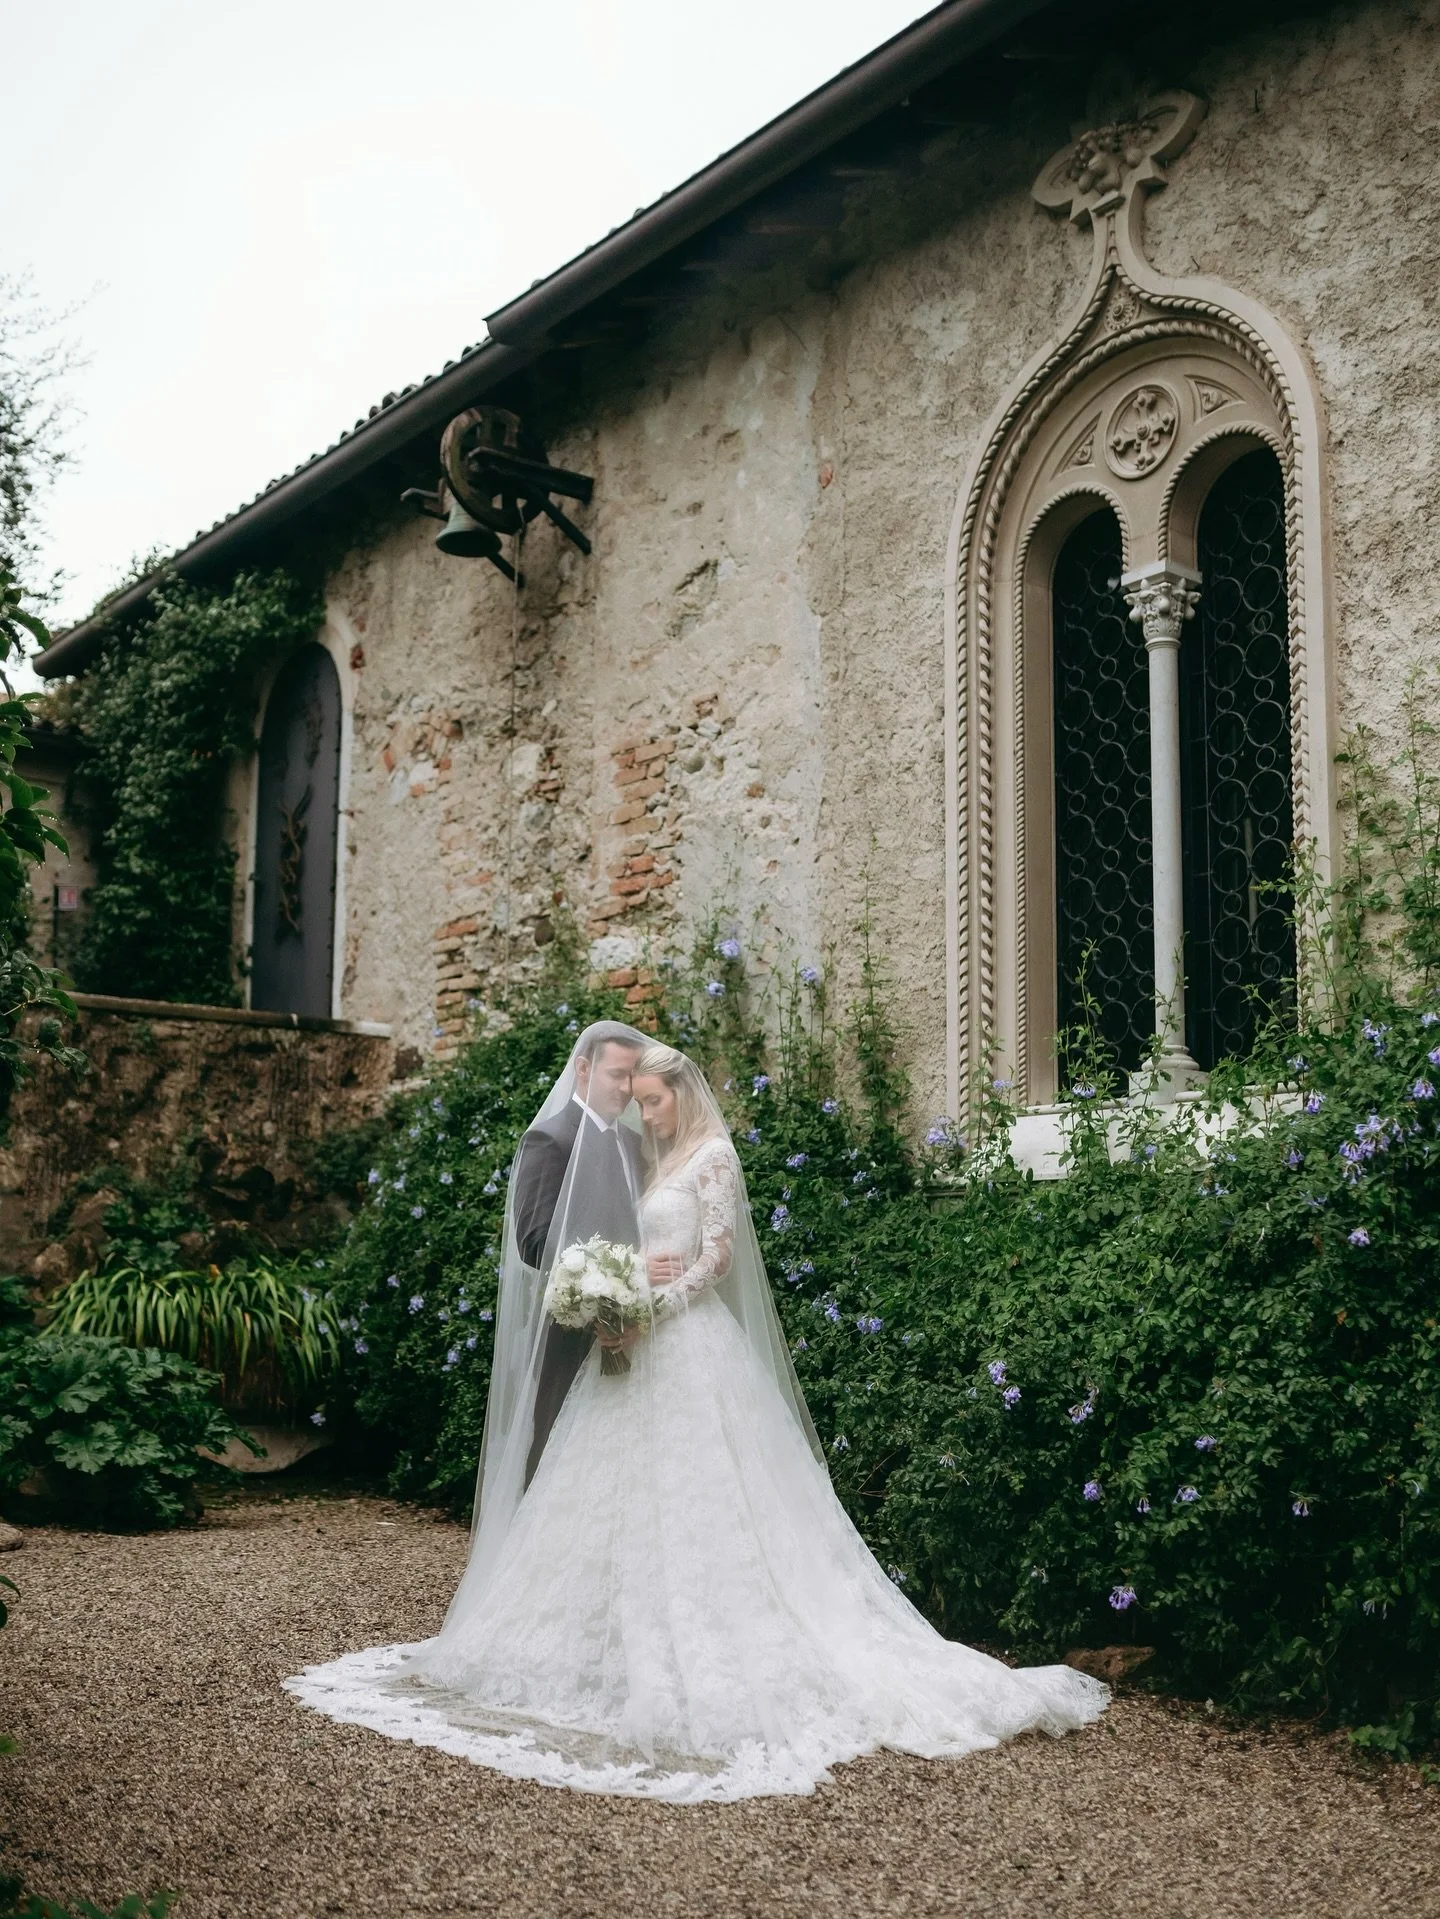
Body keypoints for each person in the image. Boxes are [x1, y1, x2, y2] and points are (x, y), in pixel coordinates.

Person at [285, 1024, 1108, 1801]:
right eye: (634, 1096)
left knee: (703, 1497)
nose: (642, 1112)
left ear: (679, 1091)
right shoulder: (648, 1154)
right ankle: (597, 1645)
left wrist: (652, 1301)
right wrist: (620, 1290)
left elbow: (716, 1255)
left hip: (687, 1343)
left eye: (651, 1099)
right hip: (630, 1345)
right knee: (609, 1496)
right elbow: (601, 1237)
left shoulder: (712, 1155)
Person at [509, 1023, 646, 1481]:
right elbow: (533, 1240)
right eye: (617, 1075)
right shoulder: (550, 1139)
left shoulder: (635, 1145)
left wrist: (635, 1288)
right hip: (571, 1328)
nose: (626, 1088)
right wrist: (602, 1282)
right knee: (556, 1453)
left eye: (632, 1077)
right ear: (584, 1069)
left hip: (636, 1328)